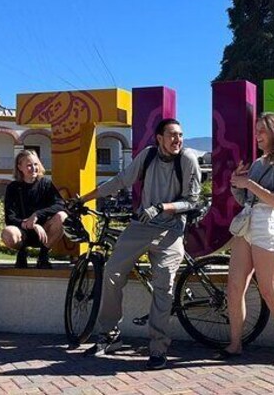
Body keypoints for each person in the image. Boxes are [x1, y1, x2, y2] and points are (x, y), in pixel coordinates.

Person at [78, 118, 201, 370]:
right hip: (141, 226)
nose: (177, 139)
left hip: (171, 229)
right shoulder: (147, 156)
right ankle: (110, 336)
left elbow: (192, 201)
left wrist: (163, 208)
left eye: (180, 134)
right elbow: (120, 181)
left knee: (163, 285)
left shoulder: (187, 159)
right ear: (159, 138)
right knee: (112, 272)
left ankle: (157, 348)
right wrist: (84, 198)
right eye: (172, 135)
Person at [219, 112, 274, 366]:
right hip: (248, 223)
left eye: (262, 131)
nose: (257, 136)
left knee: (269, 291)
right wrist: (237, 184)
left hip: (268, 226)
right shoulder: (257, 163)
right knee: (234, 288)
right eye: (256, 131)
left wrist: (249, 184)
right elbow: (247, 200)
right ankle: (235, 344)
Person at [2, 150, 67, 269]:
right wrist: (29, 224)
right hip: (22, 232)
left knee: (62, 217)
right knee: (8, 233)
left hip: (45, 231)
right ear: (20, 167)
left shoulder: (46, 184)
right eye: (29, 165)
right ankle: (22, 252)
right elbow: (9, 217)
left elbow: (60, 204)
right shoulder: (13, 187)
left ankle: (43, 254)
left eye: (35, 164)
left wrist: (37, 215)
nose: (33, 168)